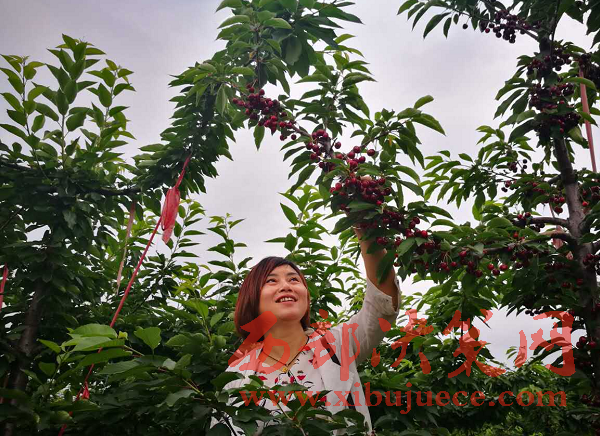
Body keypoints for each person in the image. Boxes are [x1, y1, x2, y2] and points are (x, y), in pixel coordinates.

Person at [210, 225, 401, 435]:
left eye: (294, 279)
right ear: (252, 298)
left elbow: (382, 305)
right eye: (271, 280)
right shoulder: (236, 375)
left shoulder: (337, 344)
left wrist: (366, 228)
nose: (286, 286)